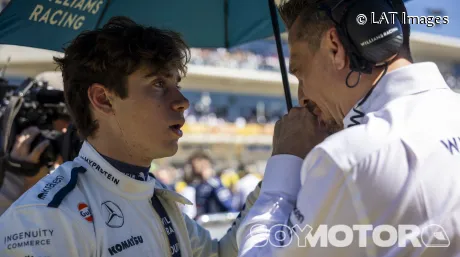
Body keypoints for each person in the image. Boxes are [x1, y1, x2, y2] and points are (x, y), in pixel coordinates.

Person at [0, 16, 261, 257]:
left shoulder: (155, 196)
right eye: (159, 84)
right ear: (103, 99)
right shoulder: (47, 217)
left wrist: (277, 176)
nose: (182, 102)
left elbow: (221, 254)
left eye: (176, 86)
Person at [236, 0, 460, 256]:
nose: (302, 97)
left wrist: (284, 167)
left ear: (335, 48)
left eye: (300, 72)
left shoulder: (349, 158)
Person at [186, 151, 235, 217]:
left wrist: (210, 179)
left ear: (204, 163)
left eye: (194, 164)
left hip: (216, 223)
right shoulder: (197, 185)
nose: (192, 168)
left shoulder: (215, 182)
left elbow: (229, 205)